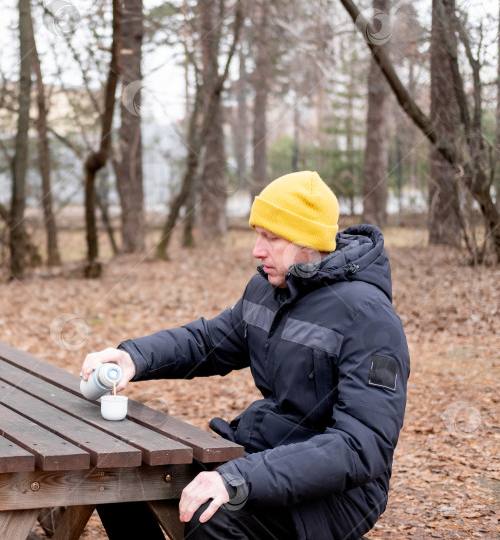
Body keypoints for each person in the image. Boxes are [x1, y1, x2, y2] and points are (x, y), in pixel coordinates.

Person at [82, 171, 410, 540]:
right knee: (123, 470)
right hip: (263, 452)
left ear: (308, 241)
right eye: (257, 235)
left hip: (340, 491)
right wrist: (134, 357)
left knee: (212, 516)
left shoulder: (369, 318)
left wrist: (238, 478)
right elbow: (207, 341)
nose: (257, 250)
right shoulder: (269, 288)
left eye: (271, 238)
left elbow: (362, 446)